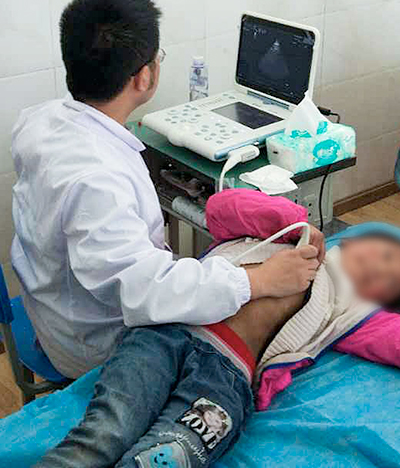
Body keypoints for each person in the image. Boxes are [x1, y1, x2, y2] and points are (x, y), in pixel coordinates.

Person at [10, 0, 323, 379]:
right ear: (145, 76)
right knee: (274, 305)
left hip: (57, 308)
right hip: (96, 347)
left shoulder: (43, 120)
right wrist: (257, 281)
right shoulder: (98, 181)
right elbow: (144, 290)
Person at [34, 189, 400, 468]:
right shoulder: (282, 235)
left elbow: (392, 340)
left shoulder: (353, 313)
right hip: (164, 334)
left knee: (167, 456)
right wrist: (292, 219)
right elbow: (221, 208)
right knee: (106, 432)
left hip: (226, 378)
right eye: (386, 257)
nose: (381, 271)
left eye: (391, 282)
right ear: (354, 241)